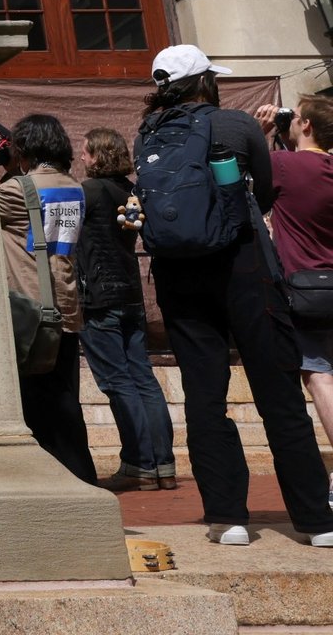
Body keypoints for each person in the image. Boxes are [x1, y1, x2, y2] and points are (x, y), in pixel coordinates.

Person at [138, 45, 333, 546]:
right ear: (206, 81)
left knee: (205, 398)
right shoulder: (238, 126)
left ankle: (228, 519)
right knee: (279, 394)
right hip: (244, 267)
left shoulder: (149, 134)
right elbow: (265, 194)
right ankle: (315, 520)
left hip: (179, 276)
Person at [74, 127, 176, 492]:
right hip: (131, 293)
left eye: (85, 152)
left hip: (99, 298)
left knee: (118, 382)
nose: (81, 158)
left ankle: (139, 463)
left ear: (98, 155)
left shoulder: (87, 192)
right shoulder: (131, 191)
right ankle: (162, 463)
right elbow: (129, 232)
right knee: (143, 379)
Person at [0, 113, 94, 484]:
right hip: (65, 305)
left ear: (24, 147)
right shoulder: (73, 185)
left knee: (39, 407)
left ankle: (65, 482)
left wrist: (7, 170)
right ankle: (81, 478)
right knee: (65, 398)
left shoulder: (17, 190)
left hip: (29, 313)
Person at [254, 96, 333, 502]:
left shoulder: (285, 165)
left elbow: (256, 188)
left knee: (319, 375)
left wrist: (264, 134)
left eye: (296, 118)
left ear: (305, 126)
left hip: (306, 289)